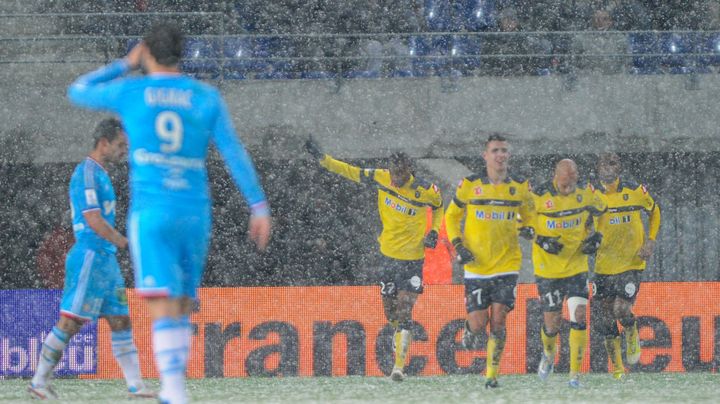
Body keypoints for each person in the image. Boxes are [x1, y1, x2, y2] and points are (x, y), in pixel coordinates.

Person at [67, 23, 272, 404]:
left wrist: (123, 65)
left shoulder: (134, 91)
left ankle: (175, 390)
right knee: (181, 299)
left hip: (152, 211)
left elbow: (77, 90)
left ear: (146, 51)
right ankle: (175, 389)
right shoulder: (205, 97)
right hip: (194, 211)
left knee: (161, 298)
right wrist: (258, 205)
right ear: (182, 53)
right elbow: (233, 151)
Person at [28, 118, 155, 400]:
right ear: (104, 143)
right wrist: (124, 241)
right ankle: (38, 381)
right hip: (89, 257)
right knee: (70, 323)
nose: (124, 151)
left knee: (121, 321)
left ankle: (136, 386)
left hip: (105, 262)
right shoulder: (85, 173)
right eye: (121, 145)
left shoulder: (101, 173)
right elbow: (93, 219)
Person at [305, 138, 443, 382]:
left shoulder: (424, 190)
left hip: (412, 259)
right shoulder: (380, 177)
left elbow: (440, 206)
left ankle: (398, 367)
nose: (394, 177)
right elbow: (351, 171)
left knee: (405, 309)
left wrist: (433, 231)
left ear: (409, 170)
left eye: (399, 173)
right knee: (390, 311)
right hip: (388, 256)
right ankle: (396, 330)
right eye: (392, 171)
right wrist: (324, 160)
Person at [444, 134, 534, 388]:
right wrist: (459, 245)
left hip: (507, 265)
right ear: (485, 155)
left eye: (504, 150)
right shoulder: (470, 185)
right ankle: (470, 330)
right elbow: (451, 216)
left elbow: (531, 215)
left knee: (498, 319)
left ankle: (491, 375)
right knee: (479, 323)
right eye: (495, 150)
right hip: (477, 267)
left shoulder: (519, 186)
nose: (500, 155)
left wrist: (528, 227)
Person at [528, 159, 607, 388]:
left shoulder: (585, 193)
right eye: (564, 183)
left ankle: (574, 375)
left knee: (579, 316)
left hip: (576, 266)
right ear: (555, 176)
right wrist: (541, 240)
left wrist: (598, 236)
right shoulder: (539, 195)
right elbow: (520, 222)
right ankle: (549, 353)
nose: (568, 187)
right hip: (547, 269)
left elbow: (602, 211)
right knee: (552, 325)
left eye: (571, 181)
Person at [593, 153, 661, 379]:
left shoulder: (635, 190)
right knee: (605, 317)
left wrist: (650, 240)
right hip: (603, 265)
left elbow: (655, 211)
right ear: (598, 168)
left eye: (612, 162)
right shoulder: (591, 197)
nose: (608, 167)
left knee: (620, 310)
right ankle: (618, 369)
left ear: (619, 166)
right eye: (604, 162)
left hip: (631, 262)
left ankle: (631, 330)